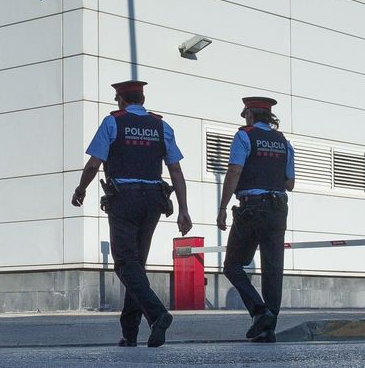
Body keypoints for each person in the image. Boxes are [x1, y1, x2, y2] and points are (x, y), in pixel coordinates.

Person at [70, 80, 192, 349]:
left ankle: (158, 314)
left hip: (124, 199)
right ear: (142, 99)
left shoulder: (113, 123)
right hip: (153, 202)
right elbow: (176, 171)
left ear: (122, 100)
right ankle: (131, 333)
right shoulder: (162, 126)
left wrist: (81, 189)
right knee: (135, 264)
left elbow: (93, 164)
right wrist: (184, 209)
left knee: (125, 263)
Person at [217, 95, 295, 344]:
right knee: (273, 270)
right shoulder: (284, 142)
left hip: (252, 208)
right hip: (278, 208)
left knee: (232, 265)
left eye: (246, 115)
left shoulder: (244, 136)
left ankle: (259, 312)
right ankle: (268, 330)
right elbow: (290, 183)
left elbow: (234, 170)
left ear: (250, 114)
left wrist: (222, 206)